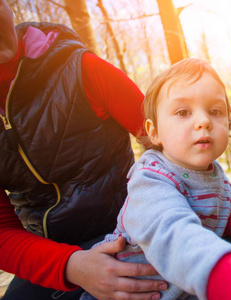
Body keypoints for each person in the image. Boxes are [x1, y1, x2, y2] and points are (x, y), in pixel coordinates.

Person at [82, 58, 231, 300]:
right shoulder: (150, 182)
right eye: (183, 112)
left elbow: (212, 205)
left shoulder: (213, 173)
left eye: (215, 111)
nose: (203, 121)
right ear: (154, 132)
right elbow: (175, 237)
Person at [0, 1, 167, 299]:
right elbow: (2, 232)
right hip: (48, 254)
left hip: (124, 230)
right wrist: (71, 266)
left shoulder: (81, 69)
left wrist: (223, 211)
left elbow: (173, 147)